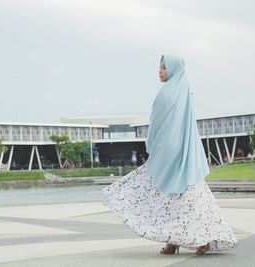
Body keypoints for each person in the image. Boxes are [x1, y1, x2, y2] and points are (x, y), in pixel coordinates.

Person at [102, 55, 237, 255]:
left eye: (164, 67)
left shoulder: (166, 93)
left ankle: (188, 240)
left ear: (173, 69)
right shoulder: (185, 91)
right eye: (160, 67)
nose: (160, 71)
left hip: (169, 153)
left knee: (169, 198)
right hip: (185, 154)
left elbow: (157, 124)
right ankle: (189, 240)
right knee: (190, 198)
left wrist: (152, 145)